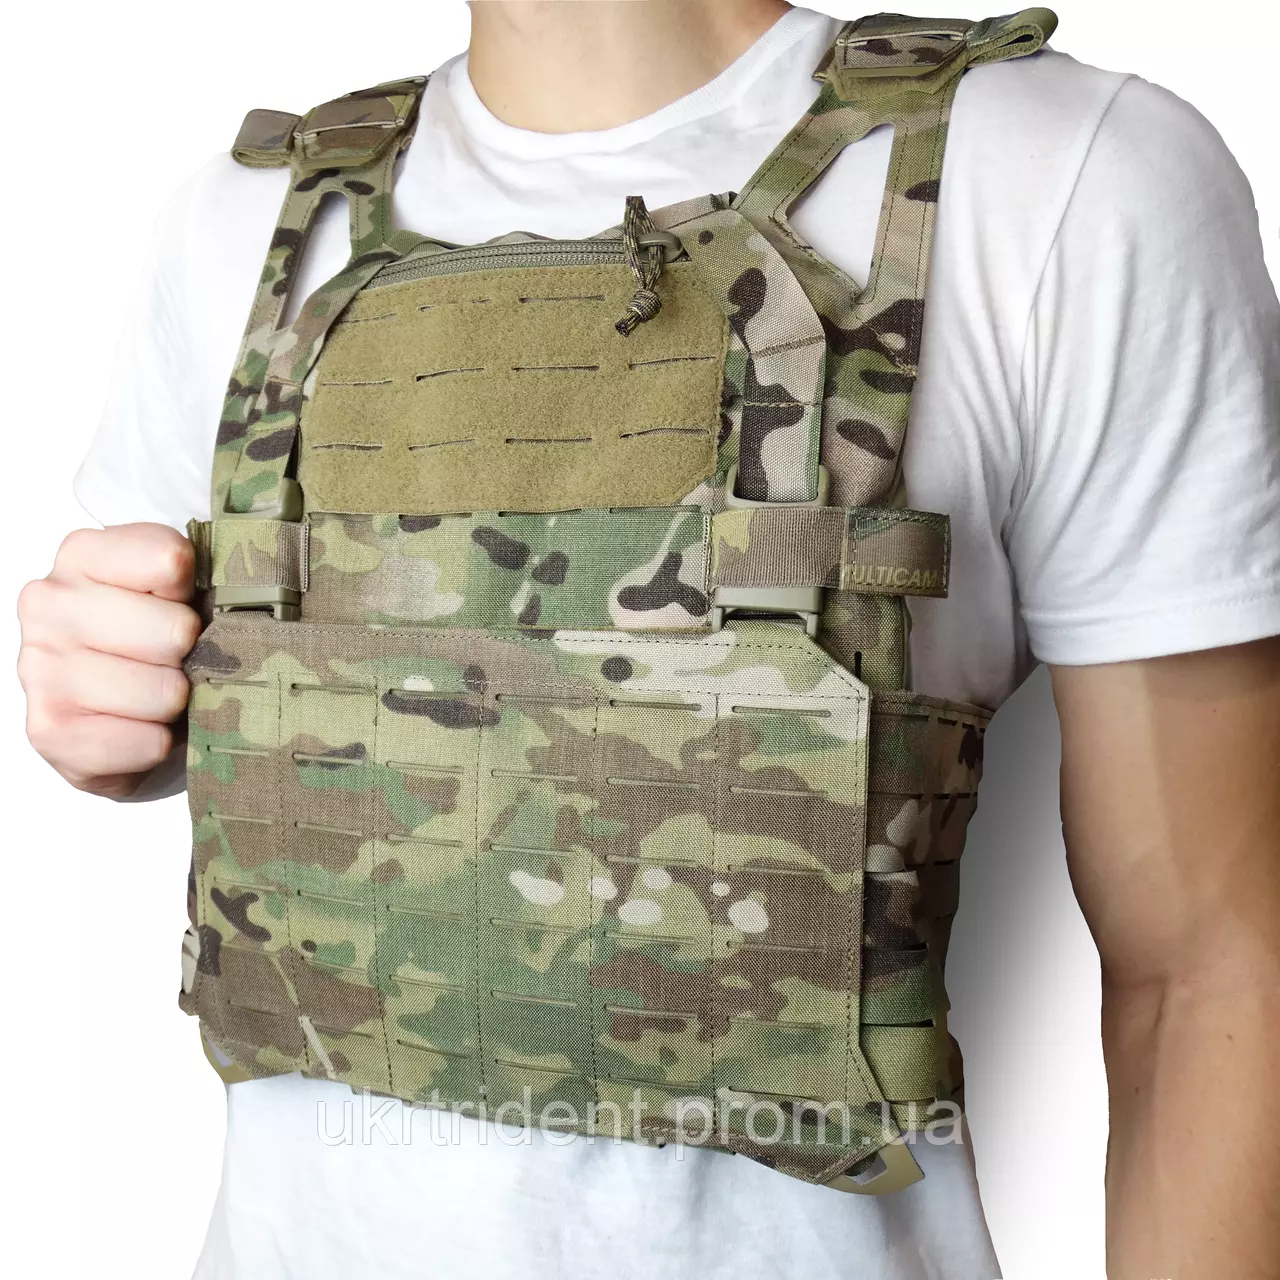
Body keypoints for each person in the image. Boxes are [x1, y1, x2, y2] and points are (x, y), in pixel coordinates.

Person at [15, 2, 1280, 1277]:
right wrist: (121, 702)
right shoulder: (246, 216)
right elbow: (163, 663)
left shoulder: (1059, 172)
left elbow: (1213, 964)